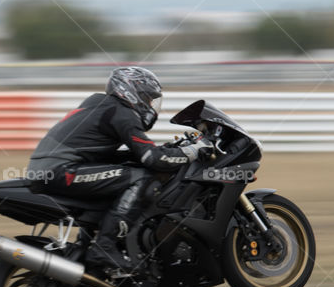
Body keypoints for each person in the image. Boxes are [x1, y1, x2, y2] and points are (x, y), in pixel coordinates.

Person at [25, 66, 211, 275]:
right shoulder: (122, 113)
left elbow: (121, 154)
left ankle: (89, 247)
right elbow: (152, 159)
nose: (150, 105)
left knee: (124, 172)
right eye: (148, 98)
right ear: (131, 91)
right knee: (141, 178)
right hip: (62, 170)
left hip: (49, 169)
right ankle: (104, 246)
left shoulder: (100, 104)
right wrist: (193, 151)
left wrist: (166, 150)